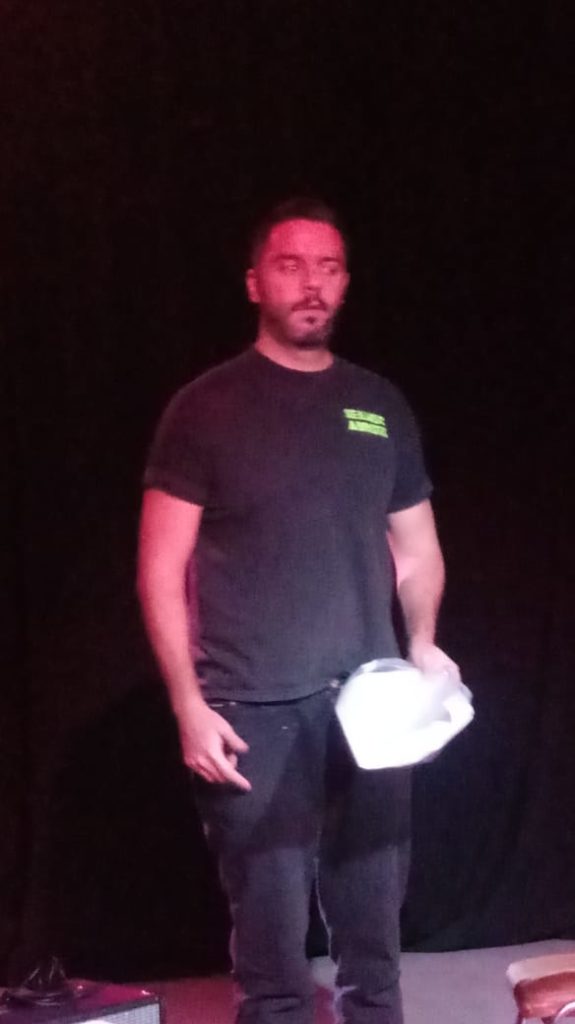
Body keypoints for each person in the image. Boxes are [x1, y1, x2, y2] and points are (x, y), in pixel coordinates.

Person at [137, 197, 459, 1024]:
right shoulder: (205, 408)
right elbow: (159, 568)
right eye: (290, 266)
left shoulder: (378, 404)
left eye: (328, 267)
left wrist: (422, 641)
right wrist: (188, 705)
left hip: (372, 706)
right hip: (253, 709)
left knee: (374, 945)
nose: (311, 284)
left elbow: (417, 549)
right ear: (255, 282)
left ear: (344, 282)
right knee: (273, 959)